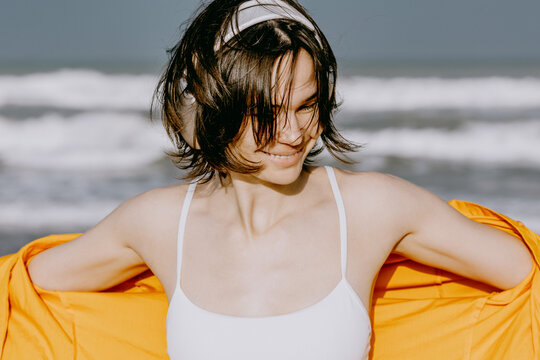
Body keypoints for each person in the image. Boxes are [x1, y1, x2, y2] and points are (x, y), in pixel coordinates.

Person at [26, 0, 534, 359]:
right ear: (213, 113)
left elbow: (525, 279)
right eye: (267, 112)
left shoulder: (372, 208)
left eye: (307, 105)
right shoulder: (158, 224)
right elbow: (26, 296)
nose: (295, 133)